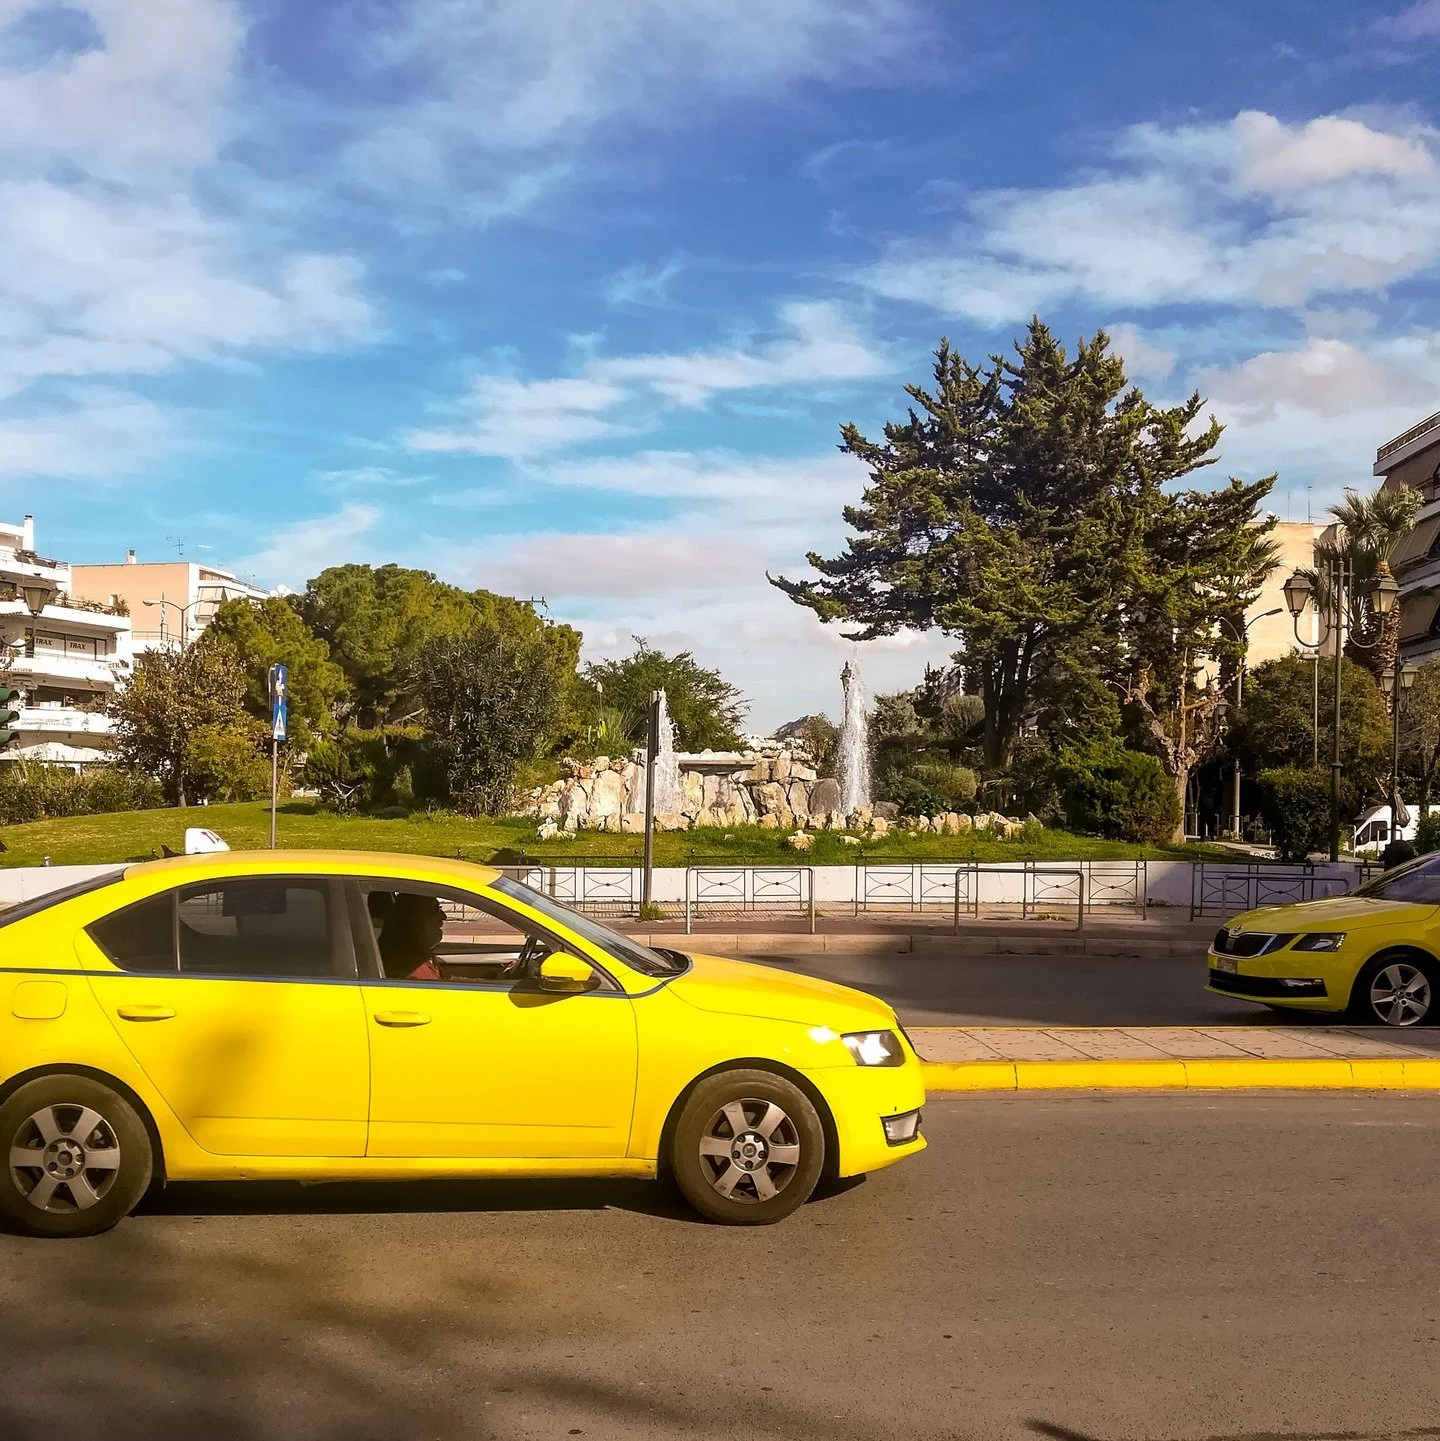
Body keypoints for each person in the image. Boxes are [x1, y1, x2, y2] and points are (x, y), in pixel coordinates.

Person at [377, 892, 447, 981]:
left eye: (439, 909)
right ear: (412, 921)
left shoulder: (415, 956)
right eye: (433, 911)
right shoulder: (412, 973)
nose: (443, 916)